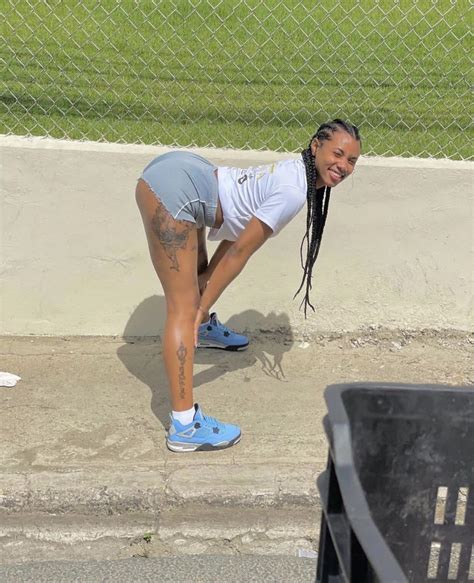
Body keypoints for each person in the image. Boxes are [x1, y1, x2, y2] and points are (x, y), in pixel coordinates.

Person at [135, 119, 361, 452]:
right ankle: (183, 426)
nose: (343, 166)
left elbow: (237, 232)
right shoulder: (293, 190)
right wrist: (198, 308)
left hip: (186, 177)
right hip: (174, 191)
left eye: (352, 160)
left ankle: (203, 328)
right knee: (183, 309)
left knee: (197, 288)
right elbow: (238, 253)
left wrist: (204, 301)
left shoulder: (296, 171)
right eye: (338, 154)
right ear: (316, 146)